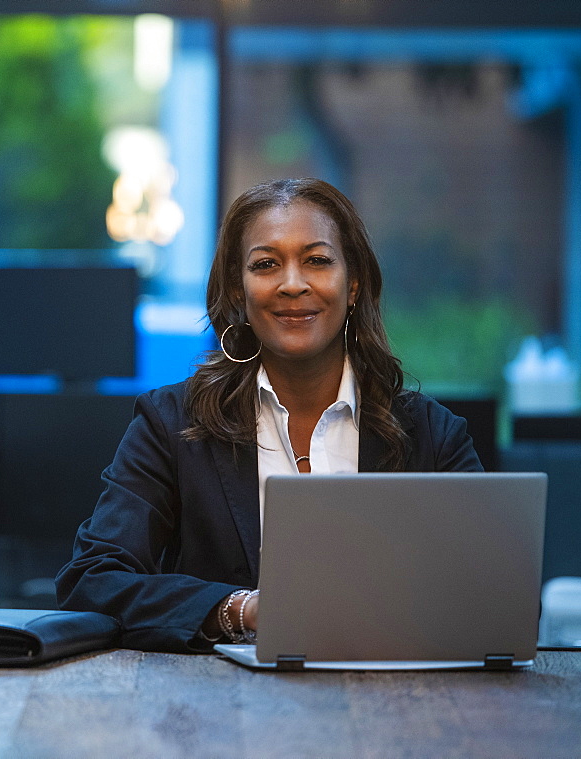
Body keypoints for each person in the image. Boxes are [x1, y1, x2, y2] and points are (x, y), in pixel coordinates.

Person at [55, 178, 483, 653]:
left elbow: (497, 593)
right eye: (266, 264)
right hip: (220, 709)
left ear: (354, 284)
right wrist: (240, 610)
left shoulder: (430, 434)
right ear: (238, 291)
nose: (293, 283)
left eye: (317, 260)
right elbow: (91, 581)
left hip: (390, 702)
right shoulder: (171, 424)